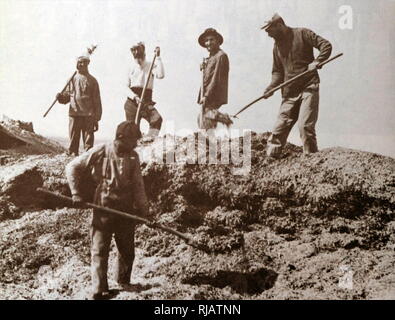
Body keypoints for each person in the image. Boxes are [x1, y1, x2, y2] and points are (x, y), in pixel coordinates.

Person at [65, 121, 149, 300]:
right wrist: (76, 193)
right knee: (99, 249)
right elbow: (72, 167)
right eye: (133, 140)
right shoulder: (101, 150)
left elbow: (138, 186)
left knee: (127, 250)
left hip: (125, 209)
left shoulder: (133, 157)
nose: (135, 144)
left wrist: (143, 210)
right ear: (121, 139)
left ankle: (124, 282)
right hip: (103, 206)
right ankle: (99, 290)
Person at [262, 13, 332, 158]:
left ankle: (311, 161)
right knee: (278, 130)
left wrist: (317, 61)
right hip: (289, 93)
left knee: (305, 127)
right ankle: (271, 161)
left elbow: (325, 45)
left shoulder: (302, 33)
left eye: (269, 30)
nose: (268, 34)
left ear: (279, 25)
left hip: (309, 87)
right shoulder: (277, 47)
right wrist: (270, 88)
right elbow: (277, 72)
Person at [57, 55, 102, 156]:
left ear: (87, 64)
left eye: (83, 62)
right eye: (79, 62)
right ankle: (72, 154)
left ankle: (88, 157)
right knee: (73, 138)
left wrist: (97, 118)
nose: (81, 64)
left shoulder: (93, 81)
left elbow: (97, 100)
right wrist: (60, 97)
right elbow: (67, 97)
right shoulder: (71, 79)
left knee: (88, 141)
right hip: (74, 113)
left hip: (88, 115)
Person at [124, 42, 164, 142]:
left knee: (157, 119)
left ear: (143, 51)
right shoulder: (130, 67)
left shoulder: (151, 66)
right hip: (132, 103)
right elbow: (125, 87)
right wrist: (135, 97)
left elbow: (161, 75)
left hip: (146, 101)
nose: (136, 52)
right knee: (132, 129)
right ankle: (134, 151)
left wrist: (158, 58)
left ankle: (149, 140)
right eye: (133, 50)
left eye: (138, 50)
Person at [197, 28, 232, 131]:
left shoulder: (221, 56)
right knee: (203, 117)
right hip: (207, 92)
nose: (208, 43)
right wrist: (204, 66)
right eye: (206, 40)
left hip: (213, 93)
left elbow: (216, 78)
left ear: (217, 41)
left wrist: (207, 96)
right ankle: (210, 139)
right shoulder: (211, 57)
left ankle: (224, 119)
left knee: (205, 118)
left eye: (211, 39)